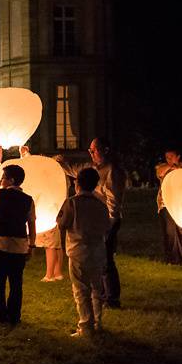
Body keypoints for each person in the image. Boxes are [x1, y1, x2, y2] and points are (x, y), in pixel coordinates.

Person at [56, 137, 126, 308]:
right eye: (90, 150)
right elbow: (74, 170)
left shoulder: (112, 171)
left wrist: (109, 222)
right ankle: (100, 295)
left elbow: (113, 200)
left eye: (95, 149)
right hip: (93, 216)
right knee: (96, 256)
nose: (91, 152)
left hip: (106, 218)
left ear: (105, 150)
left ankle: (111, 298)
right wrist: (59, 162)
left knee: (106, 258)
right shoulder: (91, 168)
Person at [57, 168, 111, 336]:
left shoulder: (72, 203)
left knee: (81, 289)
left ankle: (85, 325)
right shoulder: (101, 204)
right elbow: (107, 226)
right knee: (97, 288)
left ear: (77, 183)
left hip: (78, 251)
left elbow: (62, 223)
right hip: (98, 251)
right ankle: (97, 322)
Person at [0, 164, 36, 325]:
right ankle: (14, 316)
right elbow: (31, 224)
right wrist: (32, 245)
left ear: (11, 180)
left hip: (0, 246)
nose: (2, 180)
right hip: (19, 247)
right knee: (16, 284)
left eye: (4, 177)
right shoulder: (28, 199)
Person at [155, 149, 182, 265]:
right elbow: (160, 173)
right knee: (170, 232)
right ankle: (172, 259)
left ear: (178, 157)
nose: (168, 159)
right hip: (166, 204)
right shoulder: (162, 167)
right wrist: (171, 167)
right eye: (166, 157)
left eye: (171, 156)